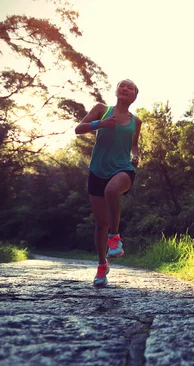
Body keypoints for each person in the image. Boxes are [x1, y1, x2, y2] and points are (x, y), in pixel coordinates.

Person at [75, 79, 141, 287]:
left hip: (123, 169)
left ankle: (115, 237)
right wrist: (99, 124)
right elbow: (79, 128)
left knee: (112, 190)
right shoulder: (102, 110)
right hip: (97, 170)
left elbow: (135, 145)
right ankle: (102, 265)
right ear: (116, 91)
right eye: (122, 85)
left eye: (130, 87)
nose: (125, 88)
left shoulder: (136, 121)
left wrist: (136, 156)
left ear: (134, 96)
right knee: (100, 223)